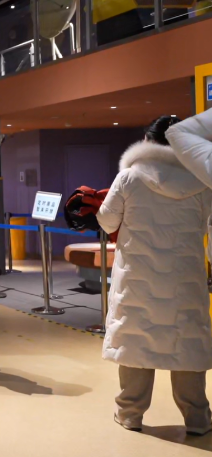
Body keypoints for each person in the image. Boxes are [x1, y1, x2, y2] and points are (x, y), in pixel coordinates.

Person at [96, 115, 212, 433]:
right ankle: (198, 418)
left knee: (136, 340)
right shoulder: (202, 180)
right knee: (187, 344)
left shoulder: (129, 178)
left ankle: (130, 413)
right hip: (185, 279)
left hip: (137, 279)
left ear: (147, 140)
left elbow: (107, 221)